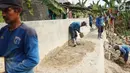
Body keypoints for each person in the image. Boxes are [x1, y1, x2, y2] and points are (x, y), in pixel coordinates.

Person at [0, 0, 39, 73]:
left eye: (7, 10)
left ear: (18, 10)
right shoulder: (3, 31)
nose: (3, 14)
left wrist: (9, 71)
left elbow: (33, 60)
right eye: (2, 11)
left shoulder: (28, 32)